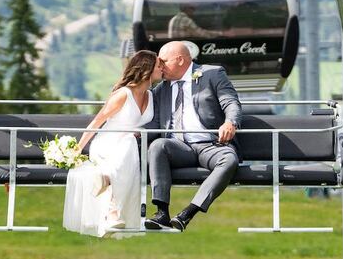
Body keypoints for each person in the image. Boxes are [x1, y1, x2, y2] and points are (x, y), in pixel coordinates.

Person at [144, 41, 242, 232]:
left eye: (163, 61)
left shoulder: (212, 74)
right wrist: (132, 135)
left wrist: (230, 122)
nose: (160, 66)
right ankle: (161, 212)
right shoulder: (160, 89)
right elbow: (154, 124)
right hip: (179, 147)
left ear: (180, 60)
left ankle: (189, 212)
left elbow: (231, 103)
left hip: (211, 144)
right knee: (157, 145)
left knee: (229, 159)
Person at [63, 50, 160, 238]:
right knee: (128, 143)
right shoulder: (123, 94)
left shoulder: (151, 95)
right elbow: (97, 122)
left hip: (130, 148)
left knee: (129, 142)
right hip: (107, 145)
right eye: (159, 65)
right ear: (147, 69)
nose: (162, 68)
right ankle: (112, 209)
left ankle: (107, 186)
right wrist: (78, 149)